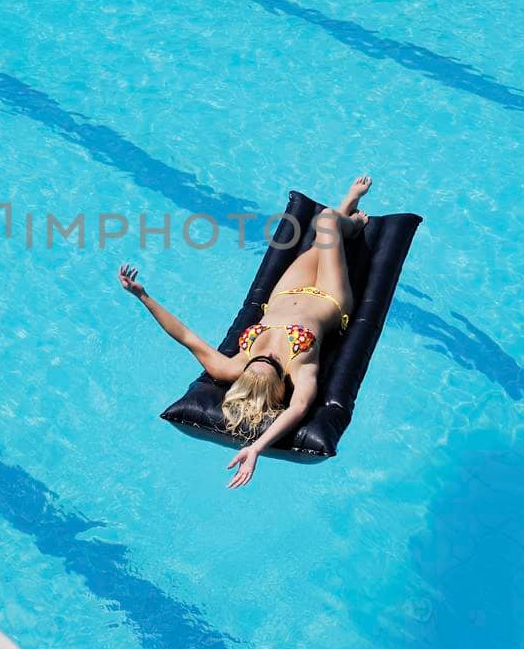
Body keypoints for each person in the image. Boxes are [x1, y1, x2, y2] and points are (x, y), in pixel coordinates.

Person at [119, 177, 372, 488]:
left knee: (323, 236)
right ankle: (350, 221)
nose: (263, 359)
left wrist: (144, 297)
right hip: (330, 297)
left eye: (257, 363)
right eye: (268, 365)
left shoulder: (231, 366)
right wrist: (256, 447)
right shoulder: (300, 366)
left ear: (243, 375)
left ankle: (347, 216)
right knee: (326, 222)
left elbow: (185, 336)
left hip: (285, 293)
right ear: (281, 384)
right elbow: (299, 409)